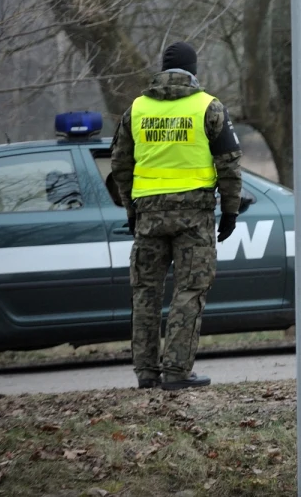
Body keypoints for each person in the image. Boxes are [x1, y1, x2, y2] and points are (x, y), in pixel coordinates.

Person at [110, 41, 242, 391]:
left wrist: (131, 209)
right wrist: (230, 212)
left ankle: (146, 373)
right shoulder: (208, 107)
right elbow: (229, 166)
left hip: (149, 216)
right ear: (193, 71)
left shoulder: (136, 109)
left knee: (145, 293)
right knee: (189, 291)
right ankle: (177, 371)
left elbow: (120, 165)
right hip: (194, 217)